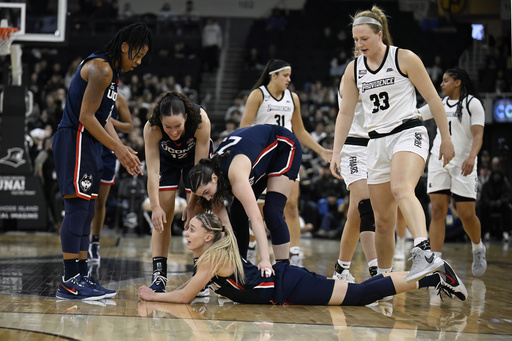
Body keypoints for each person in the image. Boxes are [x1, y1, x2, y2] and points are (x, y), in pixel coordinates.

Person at [330, 6, 455, 283]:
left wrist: (446, 138)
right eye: (355, 40)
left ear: (379, 35)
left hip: (408, 132)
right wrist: (336, 151)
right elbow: (346, 113)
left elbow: (434, 100)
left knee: (401, 188)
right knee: (382, 221)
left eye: (364, 39)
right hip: (374, 143)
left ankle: (424, 251)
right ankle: (383, 280)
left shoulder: (404, 57)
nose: (359, 44)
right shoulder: (353, 70)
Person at [138, 213, 468, 306]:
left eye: (191, 228)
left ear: (208, 238)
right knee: (360, 294)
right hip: (286, 285)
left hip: (290, 284)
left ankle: (433, 274)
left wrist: (155, 296)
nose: (186, 233)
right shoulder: (213, 256)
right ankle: (431, 278)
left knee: (360, 295)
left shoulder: (210, 260)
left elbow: (184, 296)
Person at [52, 22, 152, 300]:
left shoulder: (112, 73)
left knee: (88, 211)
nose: (139, 62)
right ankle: (69, 280)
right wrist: (118, 150)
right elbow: (85, 116)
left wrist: (121, 147)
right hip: (75, 139)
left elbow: (102, 118)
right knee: (77, 209)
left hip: (90, 143)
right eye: (137, 55)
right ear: (124, 47)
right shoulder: (101, 68)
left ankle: (81, 275)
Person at [239, 59, 332, 266]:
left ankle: (295, 254)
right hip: (263, 156)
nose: (289, 79)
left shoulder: (293, 98)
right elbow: (244, 127)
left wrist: (321, 150)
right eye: (286, 75)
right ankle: (253, 246)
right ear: (273, 75)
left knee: (291, 206)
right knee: (259, 209)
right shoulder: (258, 95)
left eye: (290, 75)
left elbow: (299, 132)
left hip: (287, 156)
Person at [187, 124, 302, 276]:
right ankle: (240, 266)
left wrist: (264, 259)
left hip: (283, 146)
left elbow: (255, 218)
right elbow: (227, 227)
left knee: (271, 211)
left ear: (215, 178)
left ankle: (283, 270)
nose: (208, 198)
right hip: (258, 156)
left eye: (207, 192)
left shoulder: (235, 174)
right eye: (203, 195)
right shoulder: (210, 175)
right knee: (237, 212)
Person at [419, 68, 486, 280]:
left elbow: (478, 135)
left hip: (463, 162)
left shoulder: (472, 103)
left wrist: (472, 157)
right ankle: (435, 263)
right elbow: (416, 114)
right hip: (439, 160)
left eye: (445, 81)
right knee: (438, 211)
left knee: (467, 215)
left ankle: (477, 248)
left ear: (457, 82)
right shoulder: (439, 103)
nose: (441, 84)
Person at [143, 91, 211, 293]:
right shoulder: (151, 128)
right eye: (168, 127)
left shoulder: (201, 122)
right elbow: (153, 173)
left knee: (197, 214)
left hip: (194, 162)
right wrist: (154, 207)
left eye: (178, 126)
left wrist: (191, 204)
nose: (173, 132)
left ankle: (200, 275)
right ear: (160, 122)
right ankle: (159, 275)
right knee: (162, 214)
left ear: (186, 119)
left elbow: (199, 171)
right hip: (166, 161)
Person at [332, 66, 378, 283]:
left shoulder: (383, 76)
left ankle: (341, 269)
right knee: (364, 205)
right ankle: (375, 269)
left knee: (355, 213)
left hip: (377, 146)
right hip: (353, 146)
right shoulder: (349, 77)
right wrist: (335, 152)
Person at [89, 93, 133, 262]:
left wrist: (111, 122)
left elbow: (129, 126)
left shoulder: (118, 98)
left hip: (108, 153)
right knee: (86, 200)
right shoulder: (90, 91)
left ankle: (95, 242)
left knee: (100, 202)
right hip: (91, 148)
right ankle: (81, 241)